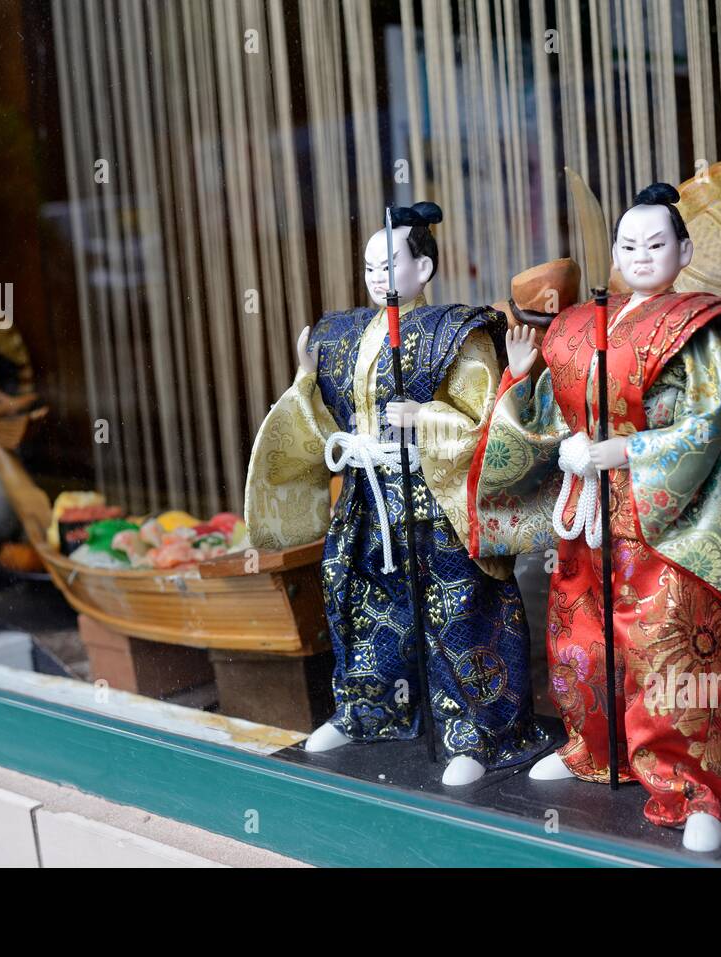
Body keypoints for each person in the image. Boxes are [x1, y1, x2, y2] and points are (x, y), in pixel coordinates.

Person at [467, 183, 721, 849]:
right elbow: (542, 417)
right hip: (590, 511)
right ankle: (592, 747)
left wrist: (618, 450)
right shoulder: (573, 325)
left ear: (684, 250)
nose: (642, 255)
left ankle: (702, 788)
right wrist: (517, 377)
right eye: (629, 244)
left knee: (679, 650)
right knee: (582, 638)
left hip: (673, 516)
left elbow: (704, 424)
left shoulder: (699, 326)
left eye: (657, 243)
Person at [244, 202, 545, 786]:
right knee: (359, 596)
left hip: (434, 496)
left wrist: (426, 415)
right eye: (369, 267)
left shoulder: (455, 332)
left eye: (391, 264)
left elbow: (483, 418)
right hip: (367, 492)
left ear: (424, 267)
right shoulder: (342, 334)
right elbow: (322, 416)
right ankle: (369, 708)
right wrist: (307, 379)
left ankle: (477, 731)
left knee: (458, 608)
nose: (379, 277)